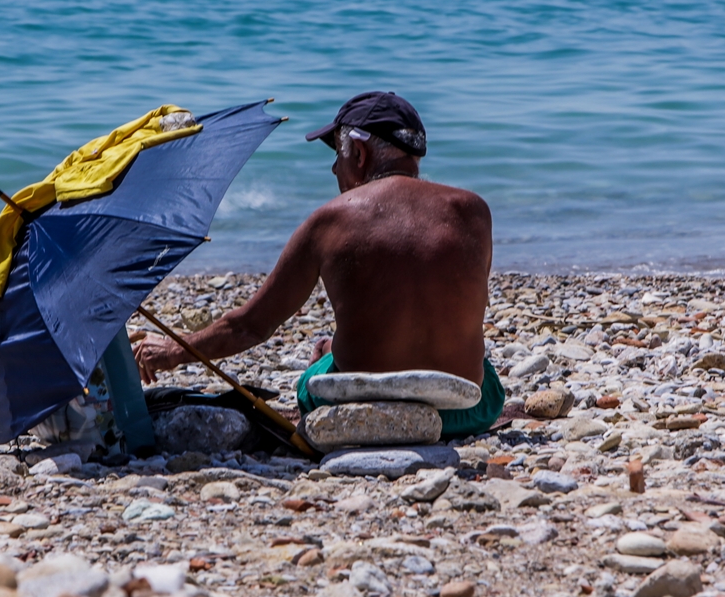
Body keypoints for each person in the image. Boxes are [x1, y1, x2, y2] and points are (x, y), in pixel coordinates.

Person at [133, 91, 505, 437]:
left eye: (336, 154)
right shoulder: (474, 213)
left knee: (311, 380)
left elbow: (250, 326)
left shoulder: (329, 222)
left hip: (361, 407)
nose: (333, 169)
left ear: (358, 153)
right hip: (466, 411)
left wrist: (174, 350)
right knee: (483, 371)